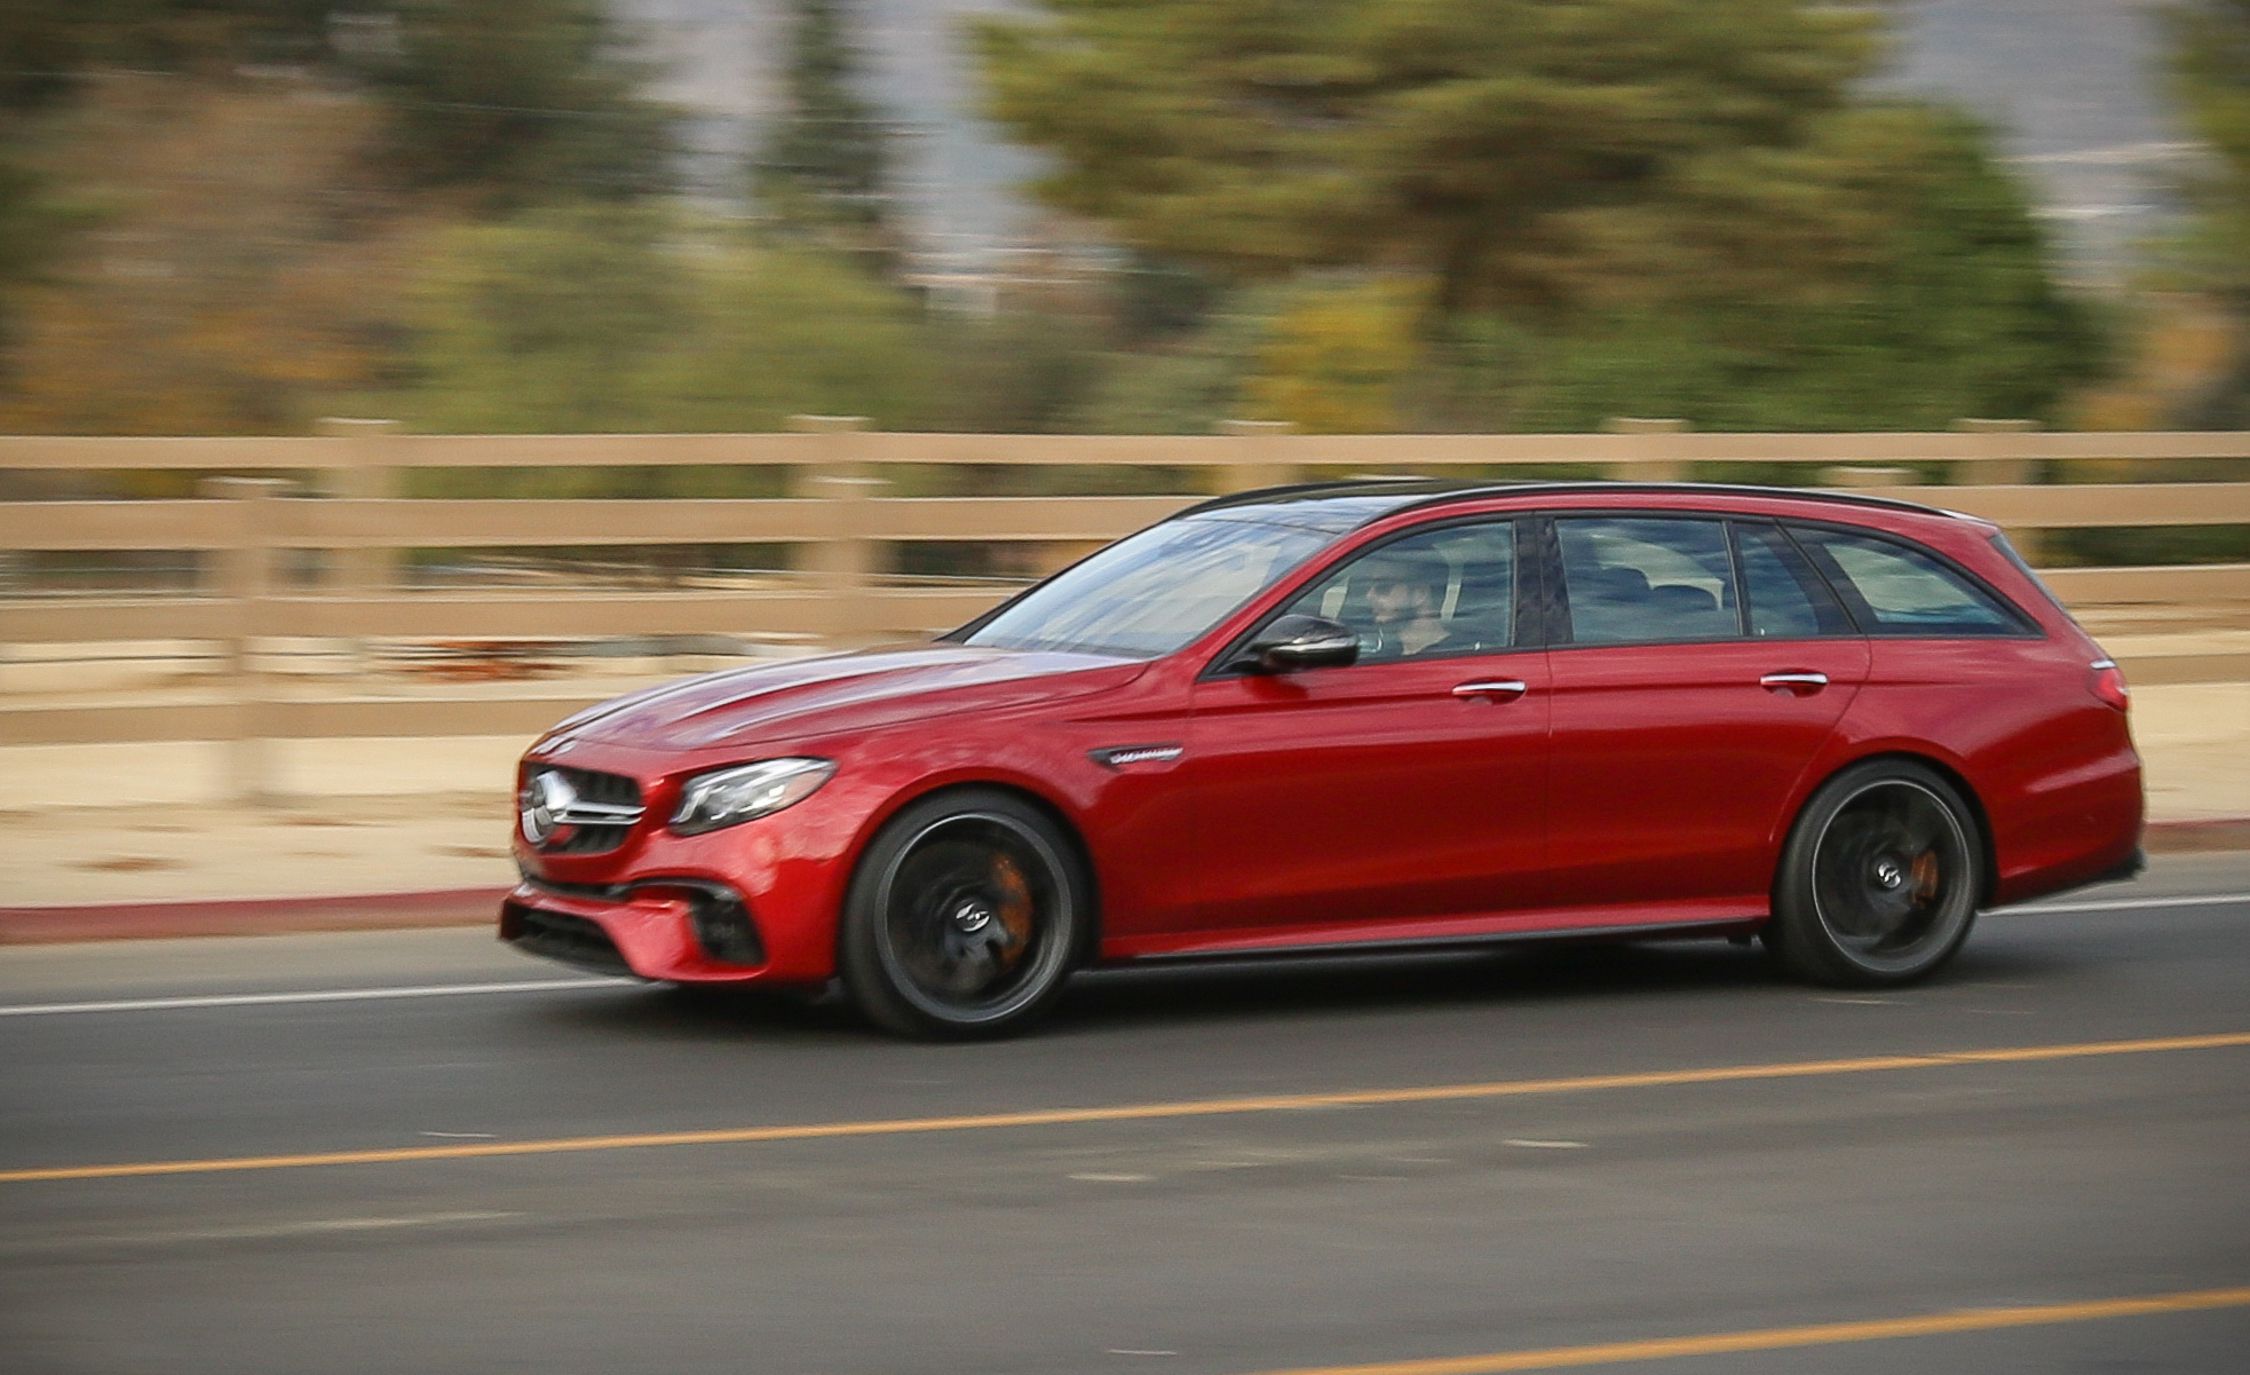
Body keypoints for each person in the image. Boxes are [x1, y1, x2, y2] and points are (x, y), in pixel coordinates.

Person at [1358, 549, 1459, 660]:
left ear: (1420, 593)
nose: (1369, 595)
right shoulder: (1381, 659)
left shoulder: (1453, 658)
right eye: (1367, 587)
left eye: (1383, 586)